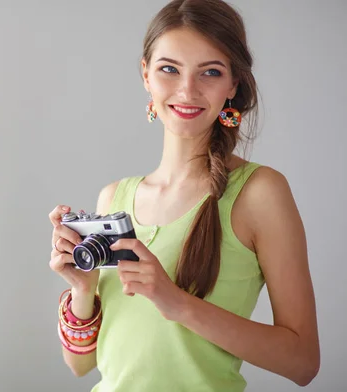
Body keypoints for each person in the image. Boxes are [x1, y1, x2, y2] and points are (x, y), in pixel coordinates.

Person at [48, 1, 320, 391]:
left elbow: (303, 363)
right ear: (146, 74)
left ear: (233, 85)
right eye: (169, 69)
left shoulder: (260, 193)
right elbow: (80, 365)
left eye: (210, 72)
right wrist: (82, 288)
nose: (187, 90)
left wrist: (177, 303)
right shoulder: (114, 198)